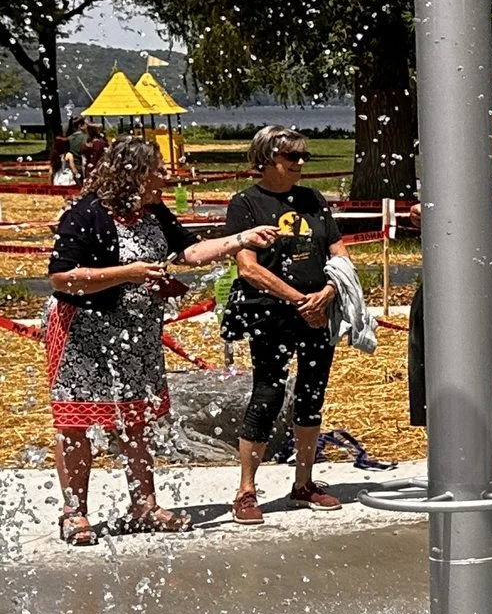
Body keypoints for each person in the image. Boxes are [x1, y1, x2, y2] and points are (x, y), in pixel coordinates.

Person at [46, 135, 276, 543]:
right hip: (84, 338)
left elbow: (190, 253)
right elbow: (62, 278)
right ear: (133, 173)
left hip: (137, 338)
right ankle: (74, 512)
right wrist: (128, 273)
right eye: (157, 169)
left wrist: (242, 239)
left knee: (136, 421)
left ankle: (144, 506)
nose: (166, 176)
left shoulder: (153, 212)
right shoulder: (85, 215)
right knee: (76, 422)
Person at [223, 125, 343, 524]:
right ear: (266, 158)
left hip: (318, 313)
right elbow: (248, 268)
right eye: (291, 156)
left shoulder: (313, 199)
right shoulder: (245, 204)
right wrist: (299, 300)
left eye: (304, 155)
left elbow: (339, 253)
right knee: (267, 395)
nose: (300, 163)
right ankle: (246, 490)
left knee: (312, 394)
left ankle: (303, 483)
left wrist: (328, 292)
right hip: (270, 314)